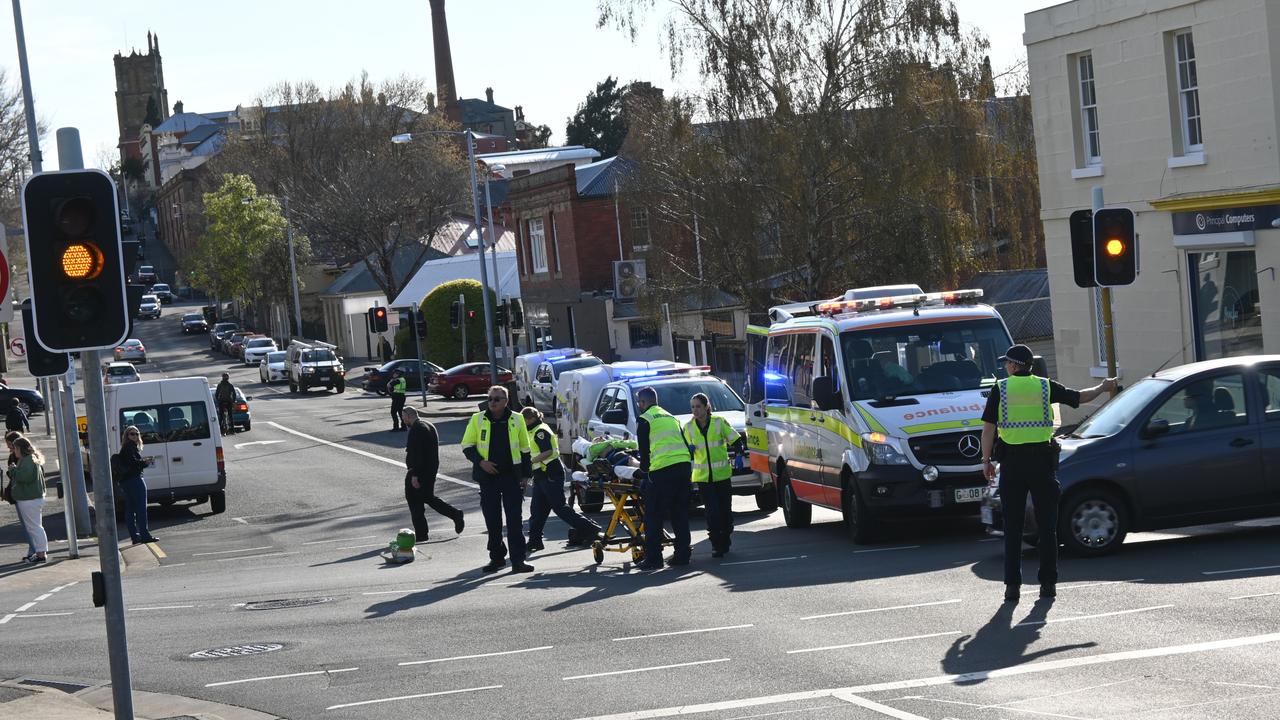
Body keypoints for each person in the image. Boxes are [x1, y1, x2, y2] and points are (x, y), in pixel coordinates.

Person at [980, 344, 1115, 602]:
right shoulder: (1044, 386)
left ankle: (1012, 588)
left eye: (1007, 363)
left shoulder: (1001, 389)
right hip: (1042, 463)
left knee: (1013, 529)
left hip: (1013, 466)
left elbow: (988, 430)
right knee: (1047, 528)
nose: (1005, 367)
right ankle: (1048, 585)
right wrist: (1103, 387)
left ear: (1013, 365)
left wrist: (986, 461)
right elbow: (1079, 397)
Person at [460, 385, 534, 573]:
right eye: (490, 398)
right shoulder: (478, 419)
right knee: (492, 520)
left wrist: (526, 475)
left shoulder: (517, 419)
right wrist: (481, 462)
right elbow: (467, 446)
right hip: (488, 478)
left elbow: (525, 449)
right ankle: (497, 558)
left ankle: (518, 560)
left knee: (514, 521)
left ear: (506, 401)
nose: (492, 402)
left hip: (511, 477)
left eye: (497, 399)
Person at [522, 407, 601, 553]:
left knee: (559, 508)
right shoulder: (533, 430)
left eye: (523, 420)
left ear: (530, 419)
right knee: (537, 510)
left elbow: (548, 451)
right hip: (541, 474)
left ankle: (589, 528)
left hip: (550, 473)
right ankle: (535, 540)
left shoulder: (540, 431)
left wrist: (531, 461)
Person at [635, 386, 694, 570]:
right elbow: (684, 444)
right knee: (680, 514)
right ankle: (682, 555)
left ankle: (654, 559)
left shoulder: (645, 420)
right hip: (683, 469)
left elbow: (644, 454)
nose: (639, 406)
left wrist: (644, 473)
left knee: (653, 516)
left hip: (662, 471)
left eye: (639, 403)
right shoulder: (672, 417)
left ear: (643, 403)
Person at [684, 392, 744, 558]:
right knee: (712, 512)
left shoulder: (719, 422)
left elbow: (736, 440)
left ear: (706, 407)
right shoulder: (688, 427)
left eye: (698, 406)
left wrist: (739, 454)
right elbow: (683, 450)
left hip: (721, 475)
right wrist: (686, 450)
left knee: (725, 512)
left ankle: (726, 536)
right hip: (703, 477)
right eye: (692, 407)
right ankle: (716, 544)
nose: (695, 410)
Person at [402, 406, 463, 542]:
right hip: (430, 470)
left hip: (419, 471)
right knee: (428, 497)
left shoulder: (416, 430)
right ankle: (455, 514)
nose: (403, 419)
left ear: (408, 416)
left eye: (403, 416)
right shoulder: (428, 425)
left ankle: (422, 533)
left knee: (414, 500)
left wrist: (414, 475)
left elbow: (417, 454)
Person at [116, 425, 157, 545]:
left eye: (137, 434)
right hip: (135, 480)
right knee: (141, 509)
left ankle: (135, 536)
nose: (135, 436)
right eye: (132, 434)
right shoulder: (130, 447)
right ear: (127, 436)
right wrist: (145, 462)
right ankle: (145, 535)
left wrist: (141, 462)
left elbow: (131, 462)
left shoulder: (126, 447)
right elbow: (134, 463)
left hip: (126, 481)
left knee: (130, 509)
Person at [9, 436, 48, 563]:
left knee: (35, 527)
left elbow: (24, 477)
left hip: (29, 499)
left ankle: (41, 554)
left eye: (15, 449)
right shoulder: (30, 459)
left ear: (20, 448)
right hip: (31, 498)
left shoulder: (28, 460)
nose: (13, 451)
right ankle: (40, 552)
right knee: (35, 527)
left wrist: (13, 470)